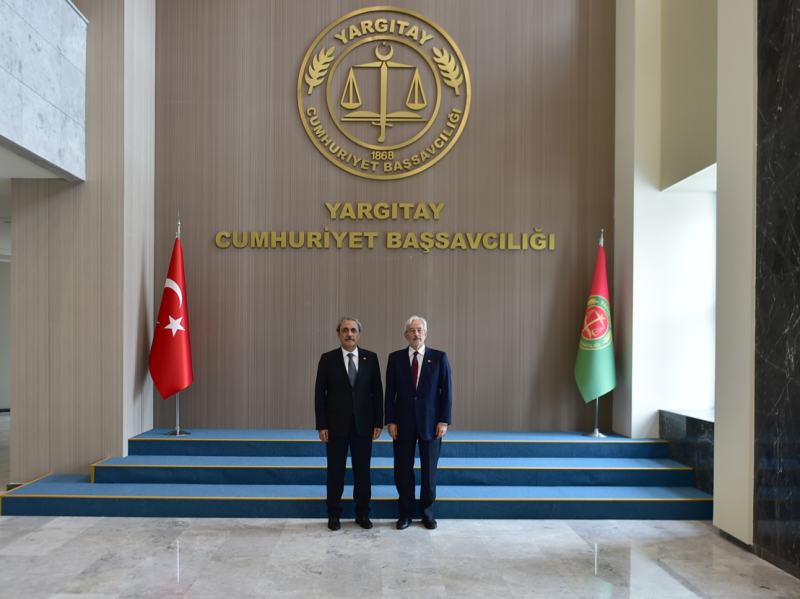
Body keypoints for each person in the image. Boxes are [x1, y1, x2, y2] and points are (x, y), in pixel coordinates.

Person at [315, 317, 383, 531]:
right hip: (335, 426)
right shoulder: (328, 359)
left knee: (362, 472)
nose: (349, 334)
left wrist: (378, 422)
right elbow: (319, 394)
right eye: (345, 330)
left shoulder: (371, 358)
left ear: (359, 334)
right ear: (338, 334)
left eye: (353, 330)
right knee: (335, 472)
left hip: (363, 425)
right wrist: (322, 425)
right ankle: (333, 514)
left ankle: (362, 513)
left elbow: (377, 392)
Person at [384, 316, 452, 530]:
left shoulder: (439, 358)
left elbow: (446, 392)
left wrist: (443, 421)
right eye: (411, 331)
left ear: (426, 333)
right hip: (402, 424)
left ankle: (427, 514)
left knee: (429, 472)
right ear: (406, 335)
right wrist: (390, 421)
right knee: (403, 471)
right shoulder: (395, 358)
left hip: (431, 425)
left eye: (419, 330)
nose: (416, 334)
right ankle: (405, 514)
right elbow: (390, 393)